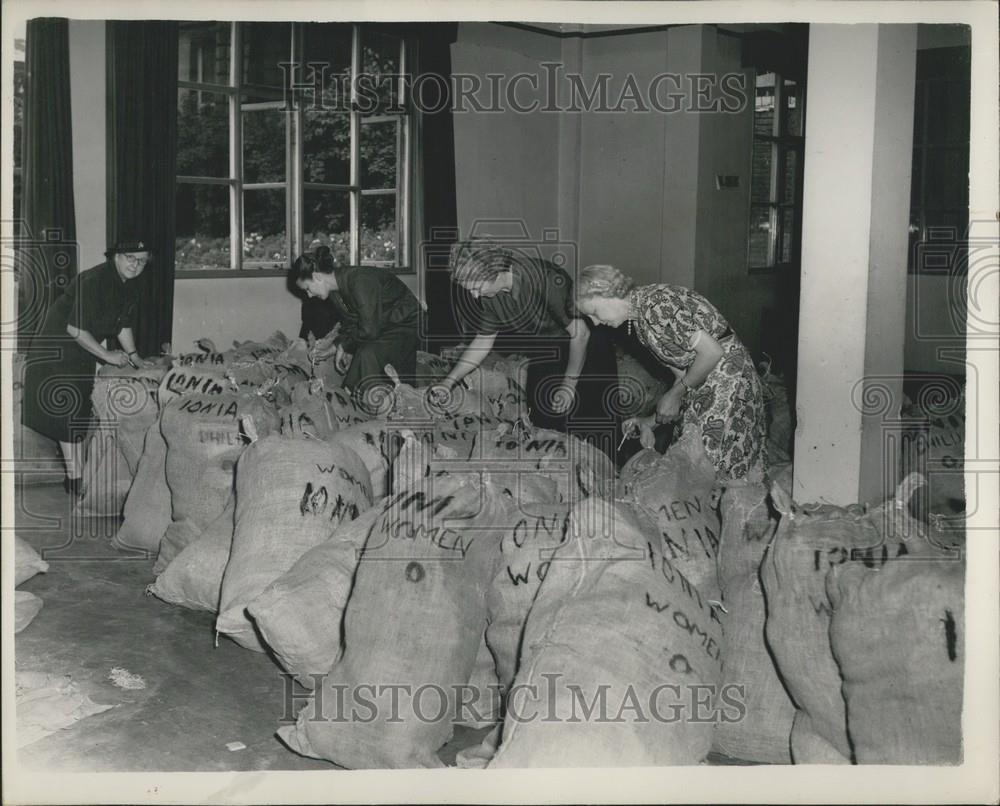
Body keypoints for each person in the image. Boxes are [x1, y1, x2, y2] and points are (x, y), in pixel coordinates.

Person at [574, 264, 766, 481]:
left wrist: (675, 395)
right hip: (706, 383)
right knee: (686, 463)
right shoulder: (641, 321)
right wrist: (650, 421)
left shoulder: (657, 303)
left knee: (708, 467)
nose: (596, 323)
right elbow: (682, 376)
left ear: (608, 292)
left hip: (729, 379)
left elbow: (712, 352)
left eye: (594, 313)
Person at [436, 239, 620, 456]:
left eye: (477, 288)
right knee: (544, 420)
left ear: (493, 272)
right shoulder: (491, 296)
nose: (474, 295)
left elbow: (581, 334)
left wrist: (569, 385)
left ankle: (608, 476)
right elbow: (482, 342)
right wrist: (448, 382)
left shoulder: (544, 278)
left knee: (591, 423)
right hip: (547, 348)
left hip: (586, 345)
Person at [22, 237, 153, 496]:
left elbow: (122, 323)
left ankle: (77, 476)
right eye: (130, 258)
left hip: (80, 348)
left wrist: (135, 356)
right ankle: (75, 480)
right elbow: (74, 328)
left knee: (79, 409)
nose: (135, 265)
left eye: (142, 261)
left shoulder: (129, 285)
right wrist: (106, 355)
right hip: (57, 348)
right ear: (115, 255)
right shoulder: (95, 281)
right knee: (68, 412)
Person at [289, 245, 422, 404]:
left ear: (317, 276)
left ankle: (362, 403)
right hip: (385, 324)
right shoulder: (335, 292)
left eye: (308, 289)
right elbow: (352, 322)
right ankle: (351, 399)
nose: (309, 295)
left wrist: (343, 346)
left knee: (367, 353)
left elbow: (369, 330)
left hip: (406, 323)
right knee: (364, 359)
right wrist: (334, 348)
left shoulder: (360, 280)